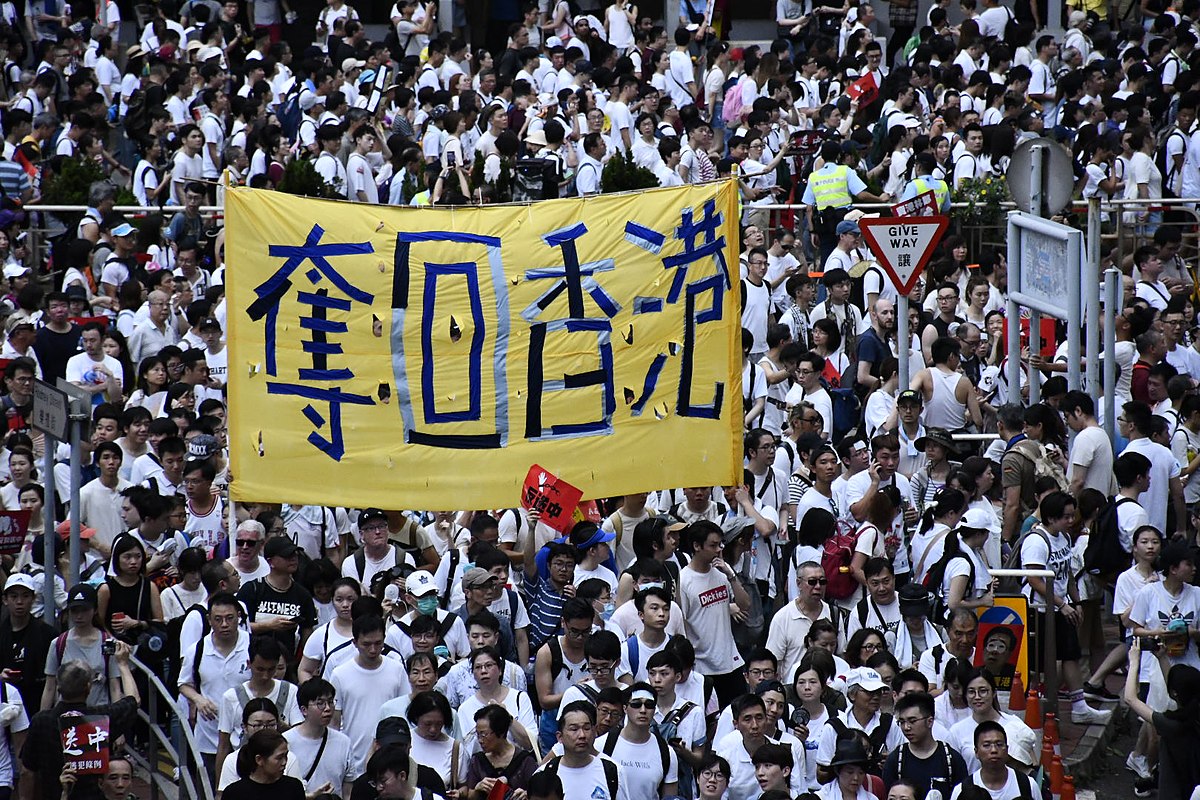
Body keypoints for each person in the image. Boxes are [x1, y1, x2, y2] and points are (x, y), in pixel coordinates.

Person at [22, 641, 139, 800]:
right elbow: (133, 701)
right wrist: (123, 665)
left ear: (58, 687)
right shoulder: (101, 717)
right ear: (89, 687)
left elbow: (28, 771)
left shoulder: (41, 721)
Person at [881, 691, 966, 796]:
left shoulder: (951, 759)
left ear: (930, 721)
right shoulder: (895, 760)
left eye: (912, 721)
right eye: (902, 722)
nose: (906, 727)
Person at [947, 721, 1040, 800]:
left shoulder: (1028, 785)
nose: (994, 750)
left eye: (999, 744)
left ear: (1007, 749)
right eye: (987, 745)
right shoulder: (962, 790)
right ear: (976, 752)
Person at [220, 729, 306, 800]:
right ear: (259, 759)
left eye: (286, 756)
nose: (284, 762)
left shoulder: (294, 787)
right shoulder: (234, 793)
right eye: (279, 758)